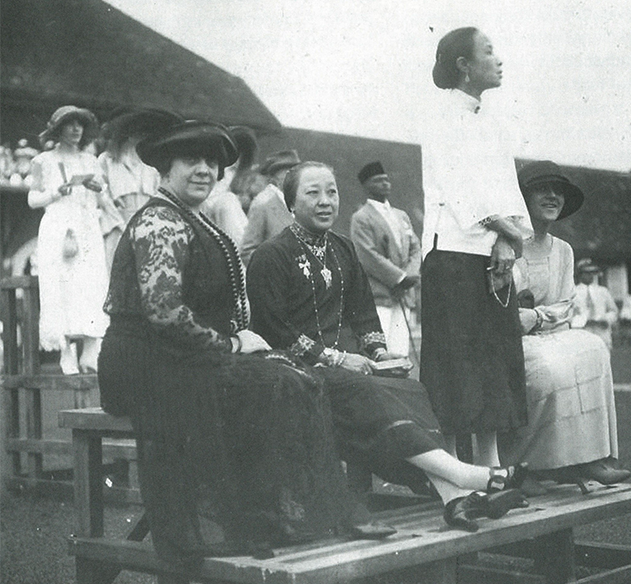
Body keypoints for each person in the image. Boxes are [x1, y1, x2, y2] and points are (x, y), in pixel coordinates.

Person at [97, 120, 405, 567]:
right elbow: (164, 312)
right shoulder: (160, 221)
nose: (204, 169)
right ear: (165, 169)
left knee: (293, 375)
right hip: (144, 361)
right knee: (276, 382)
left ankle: (303, 514)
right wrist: (233, 344)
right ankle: (269, 518)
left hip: (181, 354)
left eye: (211, 162)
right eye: (191, 161)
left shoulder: (191, 216)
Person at [247, 161, 529, 532]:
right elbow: (274, 328)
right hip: (294, 370)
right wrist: (335, 357)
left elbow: (364, 314)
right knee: (364, 390)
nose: (325, 201)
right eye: (312, 193)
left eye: (331, 191)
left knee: (410, 387)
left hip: (344, 369)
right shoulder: (271, 255)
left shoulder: (343, 249)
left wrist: (380, 354)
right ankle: (467, 478)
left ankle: (454, 499)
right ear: (290, 203)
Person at [419, 27, 533, 469]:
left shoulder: (492, 122)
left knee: (494, 357)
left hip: (492, 250)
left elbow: (507, 190)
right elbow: (460, 190)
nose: (498, 59)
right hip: (451, 254)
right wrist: (510, 235)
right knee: (455, 363)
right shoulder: (442, 116)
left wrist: (507, 239)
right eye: (488, 51)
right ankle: (452, 471)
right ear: (464, 65)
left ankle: (491, 466)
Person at [497, 161, 630, 494]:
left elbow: (567, 305)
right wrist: (523, 319)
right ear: (524, 198)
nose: (553, 197)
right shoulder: (503, 246)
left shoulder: (564, 251)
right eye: (543, 190)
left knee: (595, 349)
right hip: (508, 338)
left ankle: (589, 456)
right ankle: (520, 465)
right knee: (549, 369)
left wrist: (538, 318)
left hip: (547, 332)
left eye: (558, 192)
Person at [28, 105, 114, 374]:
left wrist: (95, 186)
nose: (76, 130)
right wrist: (56, 192)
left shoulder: (91, 161)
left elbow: (103, 196)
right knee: (61, 286)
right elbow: (33, 199)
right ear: (58, 129)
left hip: (86, 226)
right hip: (58, 225)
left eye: (80, 125)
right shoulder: (43, 160)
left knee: (90, 285)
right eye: (70, 124)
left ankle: (90, 350)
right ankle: (65, 351)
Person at [350, 161, 421, 357]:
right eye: (378, 180)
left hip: (404, 295)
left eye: (387, 179)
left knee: (400, 350)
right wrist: (398, 278)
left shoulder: (402, 216)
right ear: (366, 186)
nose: (385, 184)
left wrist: (410, 276)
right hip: (380, 295)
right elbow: (367, 255)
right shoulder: (361, 218)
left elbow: (415, 247)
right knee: (381, 350)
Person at [98, 108, 179, 267]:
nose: (141, 137)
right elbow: (102, 193)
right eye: (136, 132)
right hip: (118, 223)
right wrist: (120, 225)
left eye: (145, 133)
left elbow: (161, 193)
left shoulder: (152, 163)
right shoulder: (107, 160)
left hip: (147, 222)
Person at [240, 149, 300, 265]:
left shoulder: (296, 201)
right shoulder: (263, 203)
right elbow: (247, 252)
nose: (295, 177)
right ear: (275, 175)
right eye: (288, 171)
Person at [199, 126, 255, 245]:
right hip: (206, 212)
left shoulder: (237, 175)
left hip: (222, 220)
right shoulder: (214, 169)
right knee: (227, 201)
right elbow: (208, 200)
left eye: (240, 155)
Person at [571, 259, 619, 349]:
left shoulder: (602, 291)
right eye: (587, 273)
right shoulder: (573, 292)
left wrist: (606, 319)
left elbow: (613, 310)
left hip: (601, 331)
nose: (590, 276)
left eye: (592, 273)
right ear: (580, 275)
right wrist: (582, 321)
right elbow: (569, 313)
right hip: (583, 331)